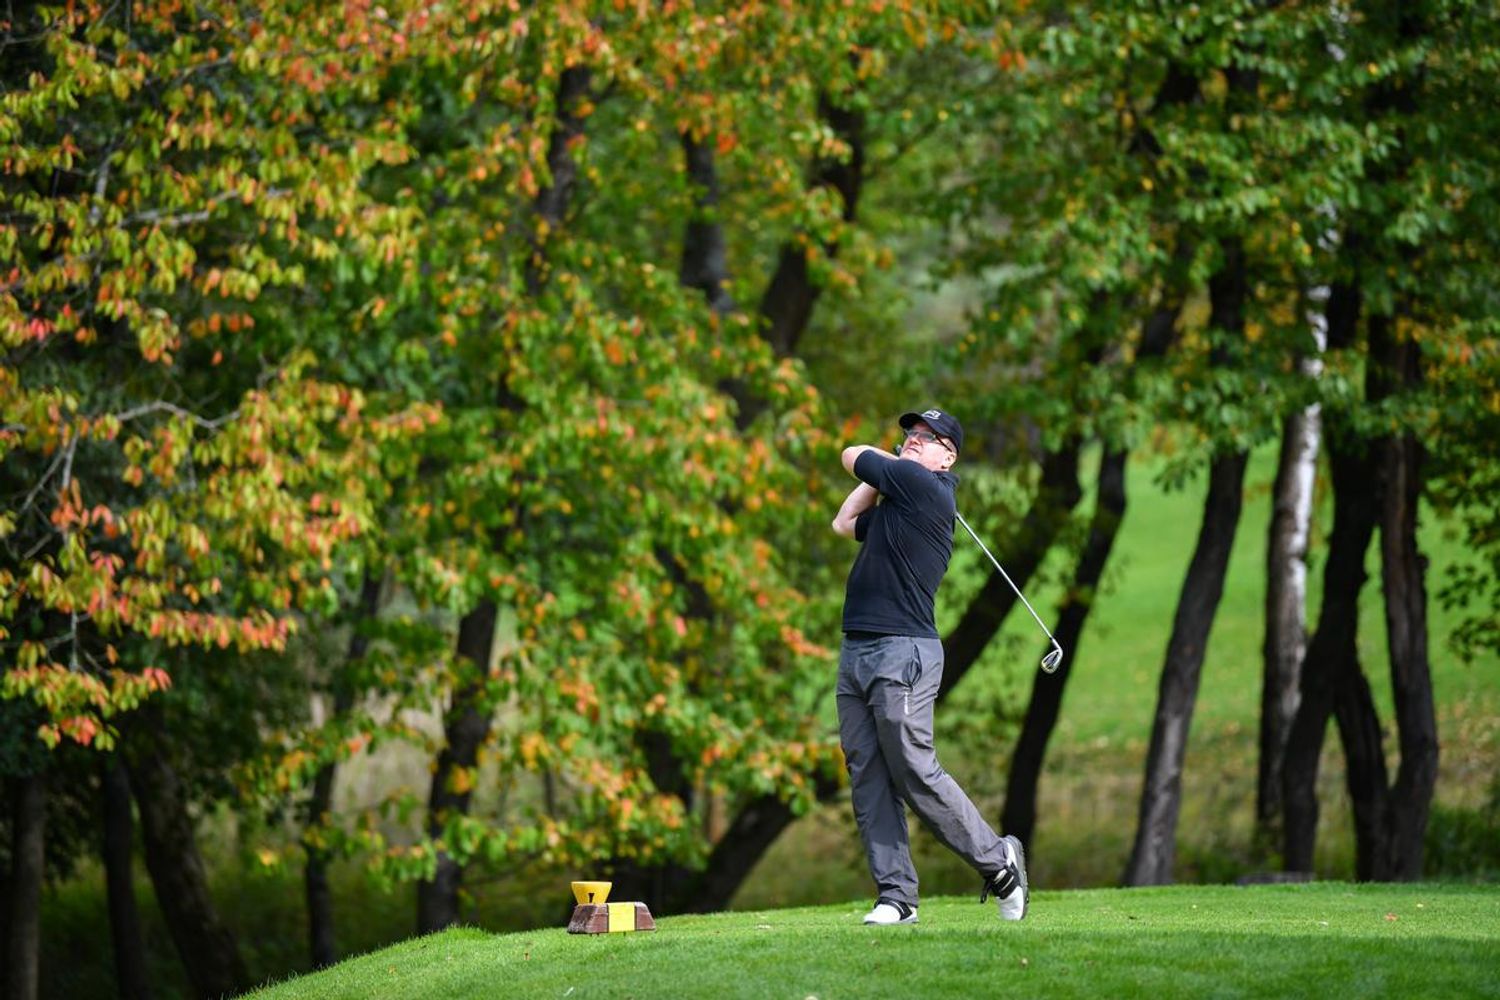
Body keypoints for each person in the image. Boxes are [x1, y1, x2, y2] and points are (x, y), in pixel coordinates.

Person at [831, 407, 1028, 926]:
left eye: (929, 437)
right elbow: (843, 523)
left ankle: (999, 861)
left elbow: (851, 454)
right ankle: (896, 897)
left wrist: (892, 465)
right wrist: (888, 475)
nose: (915, 440)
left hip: (903, 653)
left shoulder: (928, 490)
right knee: (868, 773)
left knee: (913, 766)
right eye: (911, 434)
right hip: (857, 650)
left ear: (948, 458)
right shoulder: (902, 497)